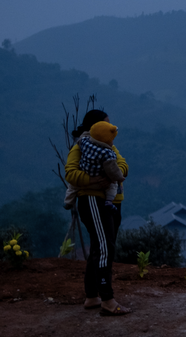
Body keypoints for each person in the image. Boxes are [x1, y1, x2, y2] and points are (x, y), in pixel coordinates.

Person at [65, 109, 132, 316]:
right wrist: (96, 180)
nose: (112, 128)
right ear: (95, 126)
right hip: (94, 200)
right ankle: (107, 299)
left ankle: (92, 296)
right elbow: (71, 173)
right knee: (105, 247)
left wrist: (114, 171)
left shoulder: (108, 146)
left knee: (99, 247)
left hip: (113, 202)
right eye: (107, 124)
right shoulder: (80, 147)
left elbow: (123, 166)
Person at [64, 121, 125, 211]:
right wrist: (119, 177)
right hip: (98, 186)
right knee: (113, 185)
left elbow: (83, 136)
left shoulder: (84, 142)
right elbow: (113, 170)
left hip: (84, 179)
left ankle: (68, 201)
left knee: (72, 186)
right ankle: (109, 201)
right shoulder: (108, 154)